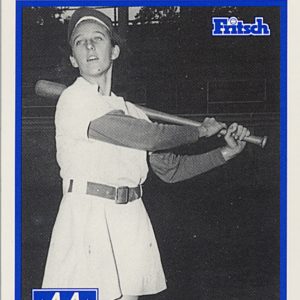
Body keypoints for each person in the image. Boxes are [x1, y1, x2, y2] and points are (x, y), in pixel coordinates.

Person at [42, 7, 250, 300]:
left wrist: (225, 153)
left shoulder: (134, 112)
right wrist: (199, 131)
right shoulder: (73, 99)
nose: (89, 46)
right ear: (73, 59)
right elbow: (144, 135)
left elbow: (171, 169)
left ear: (114, 51)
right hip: (85, 218)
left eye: (98, 38)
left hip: (130, 220)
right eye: (80, 41)